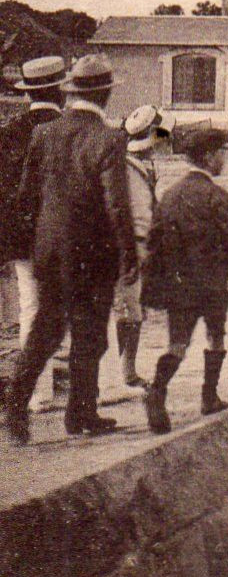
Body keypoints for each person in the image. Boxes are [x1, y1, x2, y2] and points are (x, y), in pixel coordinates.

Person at [6, 54, 139, 442]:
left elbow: (25, 197)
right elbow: (117, 204)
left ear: (72, 92)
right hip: (93, 255)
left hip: (49, 251)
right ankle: (80, 414)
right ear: (107, 93)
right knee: (91, 335)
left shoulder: (44, 134)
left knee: (45, 331)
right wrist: (129, 253)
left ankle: (17, 410)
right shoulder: (110, 138)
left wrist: (39, 243)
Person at [140, 127, 228, 434]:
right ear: (209, 157)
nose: (224, 160)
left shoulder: (170, 196)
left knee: (177, 344)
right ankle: (209, 396)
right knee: (216, 336)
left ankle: (157, 390)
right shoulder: (216, 195)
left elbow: (154, 241)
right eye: (222, 154)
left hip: (179, 286)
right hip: (212, 284)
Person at [0, 57, 66, 412]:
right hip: (59, 235)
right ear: (59, 90)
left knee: (31, 307)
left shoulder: (10, 130)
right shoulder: (65, 128)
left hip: (19, 237)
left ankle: (36, 393)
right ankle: (90, 388)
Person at [117, 105, 169, 389]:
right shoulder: (127, 167)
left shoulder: (145, 163)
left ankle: (127, 368)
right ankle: (122, 370)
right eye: (159, 135)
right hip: (131, 246)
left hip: (142, 244)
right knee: (129, 312)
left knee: (136, 311)